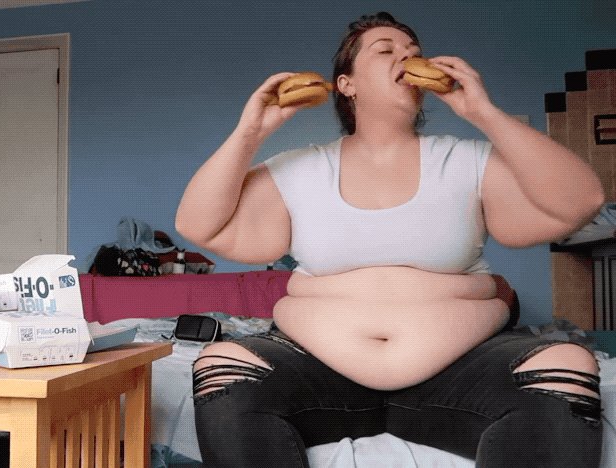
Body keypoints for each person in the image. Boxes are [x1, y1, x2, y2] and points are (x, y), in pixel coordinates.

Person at [174, 12, 604, 468]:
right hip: (317, 373)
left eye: (413, 51)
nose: (407, 56)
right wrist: (251, 131)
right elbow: (199, 226)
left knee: (567, 363)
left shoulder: (467, 160)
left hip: (460, 373)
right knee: (222, 363)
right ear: (347, 84)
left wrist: (484, 113)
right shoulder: (298, 168)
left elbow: (582, 201)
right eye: (385, 49)